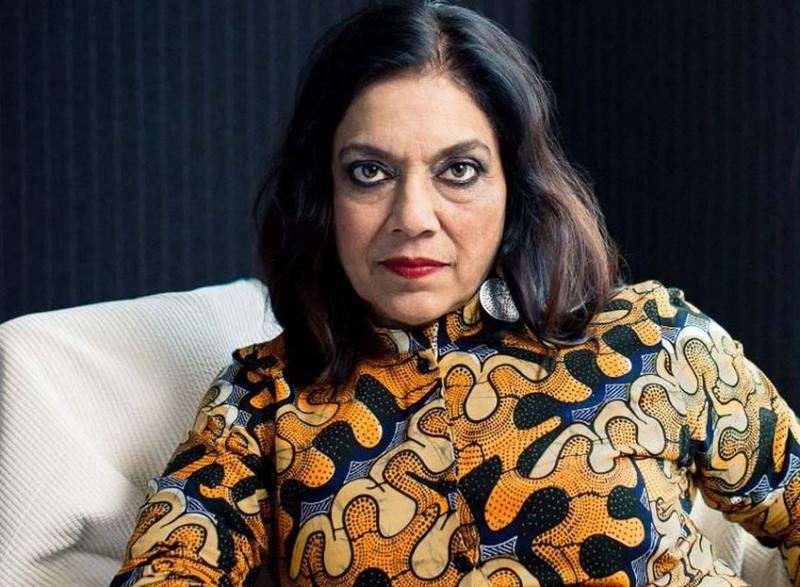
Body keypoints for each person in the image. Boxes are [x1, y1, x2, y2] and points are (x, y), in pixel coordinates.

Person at [110, 1, 800, 585]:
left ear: (515, 189)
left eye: (459, 170)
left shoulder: (652, 338)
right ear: (324, 196)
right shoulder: (263, 400)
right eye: (370, 172)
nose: (413, 216)